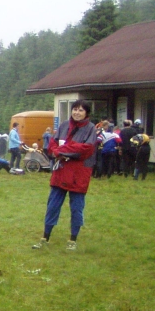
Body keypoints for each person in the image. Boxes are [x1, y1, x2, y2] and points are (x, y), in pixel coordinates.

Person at [32, 99, 98, 251]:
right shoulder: (63, 126)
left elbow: (86, 149)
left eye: (81, 110)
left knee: (76, 208)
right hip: (61, 171)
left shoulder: (90, 129)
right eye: (75, 109)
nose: (77, 112)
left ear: (86, 113)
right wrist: (59, 151)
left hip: (79, 175)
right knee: (52, 206)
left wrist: (63, 150)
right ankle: (45, 237)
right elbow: (52, 145)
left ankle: (73, 239)